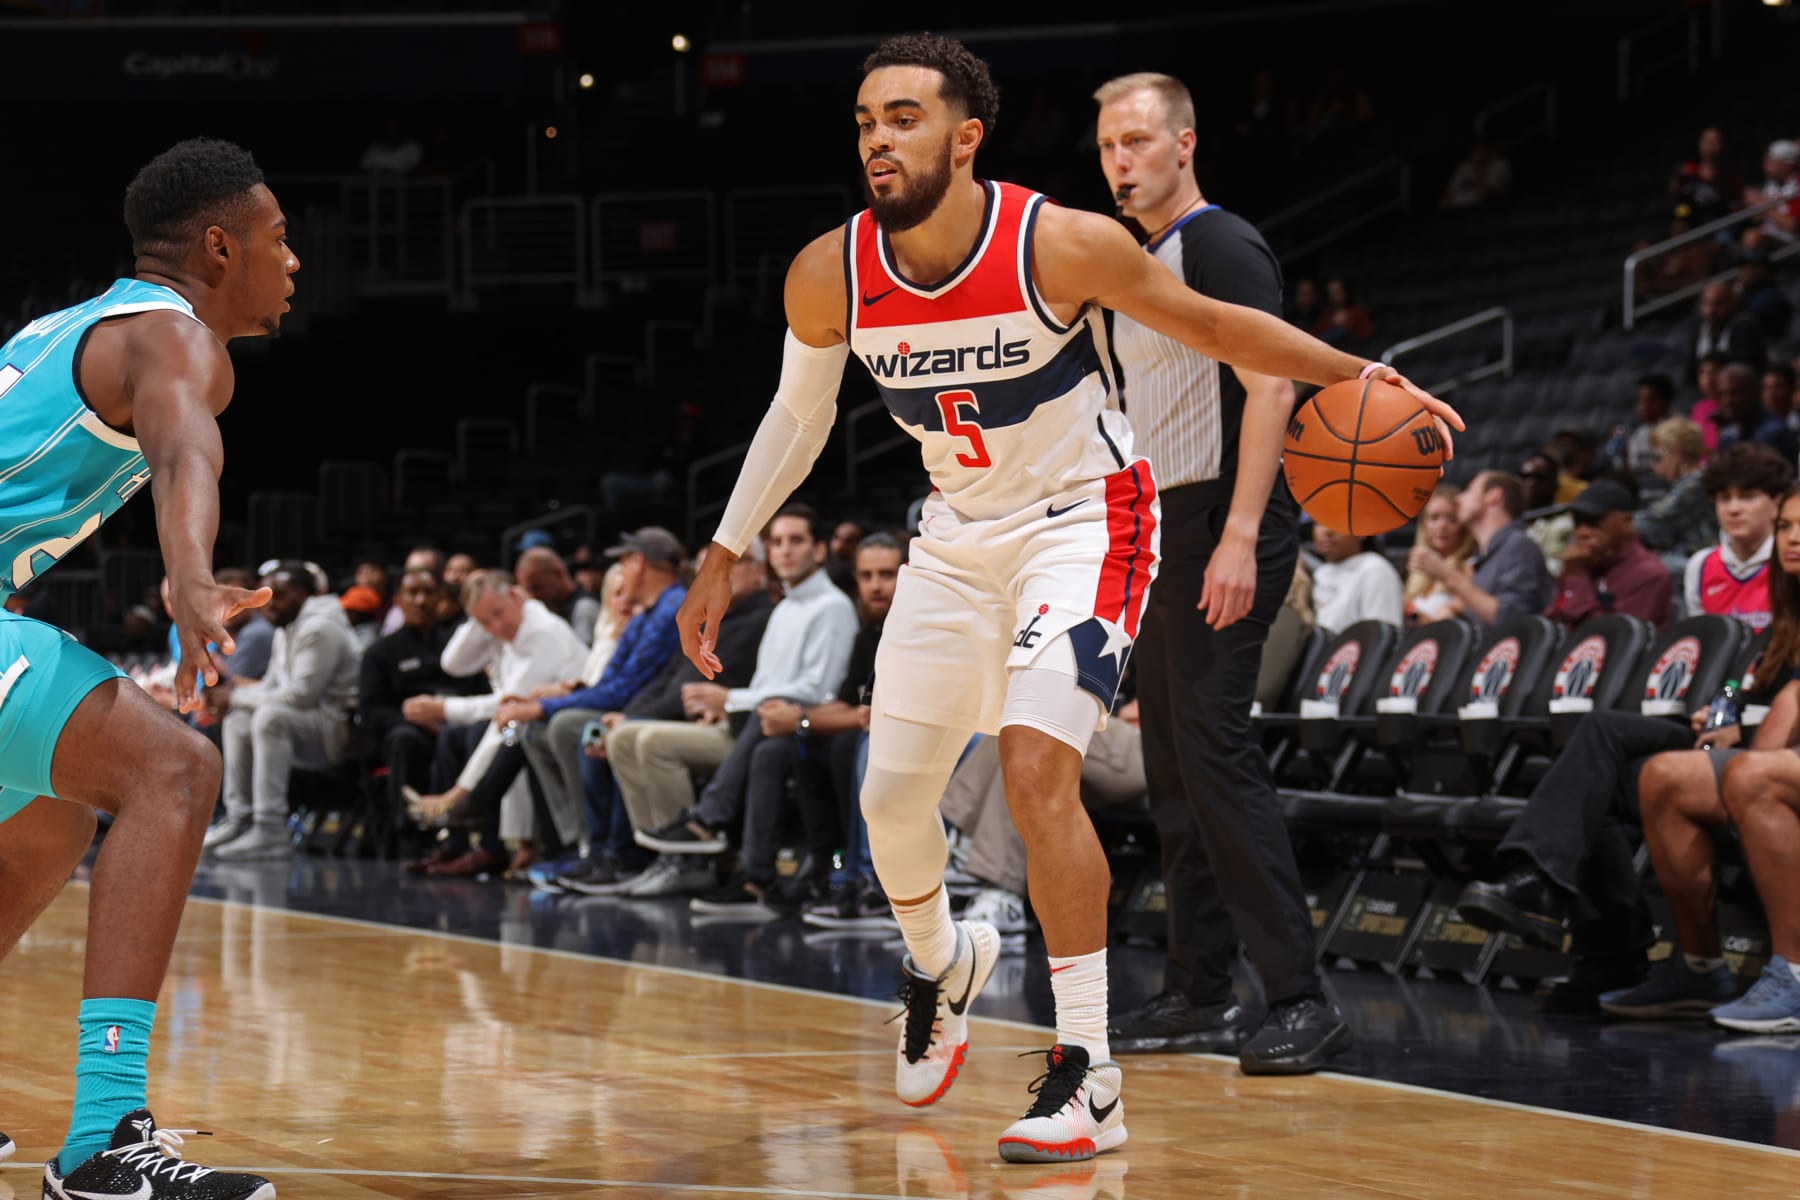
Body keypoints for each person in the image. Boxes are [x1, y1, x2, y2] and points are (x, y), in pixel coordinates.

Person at [674, 33, 1460, 1163]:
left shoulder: (1060, 242)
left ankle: (1087, 1074)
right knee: (890, 804)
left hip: (1087, 520)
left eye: (903, 118)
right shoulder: (828, 270)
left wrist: (1360, 373)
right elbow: (798, 417)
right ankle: (943, 963)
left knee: (1038, 769)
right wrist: (723, 550)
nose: (878, 140)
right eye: (865, 122)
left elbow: (1218, 327)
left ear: (966, 137)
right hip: (955, 539)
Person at [0, 138, 288, 1198]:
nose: (293, 261)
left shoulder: (66, 328)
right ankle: (102, 1141)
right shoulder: (176, 337)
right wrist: (191, 577)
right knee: (175, 768)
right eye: (277, 238)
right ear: (219, 247)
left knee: (51, 815)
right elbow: (183, 453)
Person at [1091, 69, 1355, 1074]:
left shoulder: (1219, 244)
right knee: (1173, 766)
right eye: (1108, 147)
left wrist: (1242, 535)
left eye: (1137, 142)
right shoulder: (1134, 262)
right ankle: (1197, 991)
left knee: (1216, 752)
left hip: (1221, 522)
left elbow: (1271, 387)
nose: (1120, 163)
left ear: (1185, 143)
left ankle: (1300, 996)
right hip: (1160, 525)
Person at [203, 561, 362, 861]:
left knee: (270, 718)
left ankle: (270, 828)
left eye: (280, 595)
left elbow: (300, 697)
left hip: (337, 728)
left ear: (304, 594)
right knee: (238, 721)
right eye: (268, 596)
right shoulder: (286, 627)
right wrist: (234, 699)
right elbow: (271, 686)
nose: (270, 604)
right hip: (307, 722)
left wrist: (235, 696)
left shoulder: (320, 628)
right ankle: (241, 819)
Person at [1407, 471, 1550, 629]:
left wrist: (1447, 574)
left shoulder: (1519, 546)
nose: (1459, 499)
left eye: (1469, 490)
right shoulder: (1484, 556)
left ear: (1493, 496)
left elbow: (1513, 619)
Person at [1682, 441, 1790, 629]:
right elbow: (1703, 639)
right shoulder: (1699, 566)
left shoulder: (1791, 562)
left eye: (1747, 496)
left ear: (1777, 504)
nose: (1733, 509)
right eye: (1724, 498)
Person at [1543, 478, 1672, 630]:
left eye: (1593, 522)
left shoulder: (1649, 574)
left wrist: (1577, 578)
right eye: (1578, 522)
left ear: (1626, 522)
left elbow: (1611, 637)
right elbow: (1552, 624)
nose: (1582, 532)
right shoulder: (1578, 562)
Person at [1633, 417, 1713, 562]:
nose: (1655, 467)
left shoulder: (1695, 483)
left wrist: (1616, 522)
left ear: (1677, 454)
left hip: (1700, 558)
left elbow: (1655, 516)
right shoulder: (1692, 480)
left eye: (1658, 458)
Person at [1309, 523, 1403, 632]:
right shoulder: (1320, 572)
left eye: (1337, 522)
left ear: (1360, 531)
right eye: (1320, 523)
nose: (1327, 531)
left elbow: (1382, 634)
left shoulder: (1375, 569)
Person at [1403, 486, 1474, 624]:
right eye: (1434, 518)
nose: (1442, 526)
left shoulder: (1469, 568)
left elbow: (1444, 626)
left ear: (1464, 525)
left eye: (1452, 519)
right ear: (1424, 525)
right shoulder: (1414, 569)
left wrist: (1409, 611)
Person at [1439, 136, 1512, 210]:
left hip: (1482, 210)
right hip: (1457, 210)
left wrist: (1478, 167)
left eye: (1482, 149)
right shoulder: (1465, 166)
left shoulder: (1500, 165)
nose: (1478, 153)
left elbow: (1486, 195)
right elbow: (1448, 194)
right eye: (1475, 149)